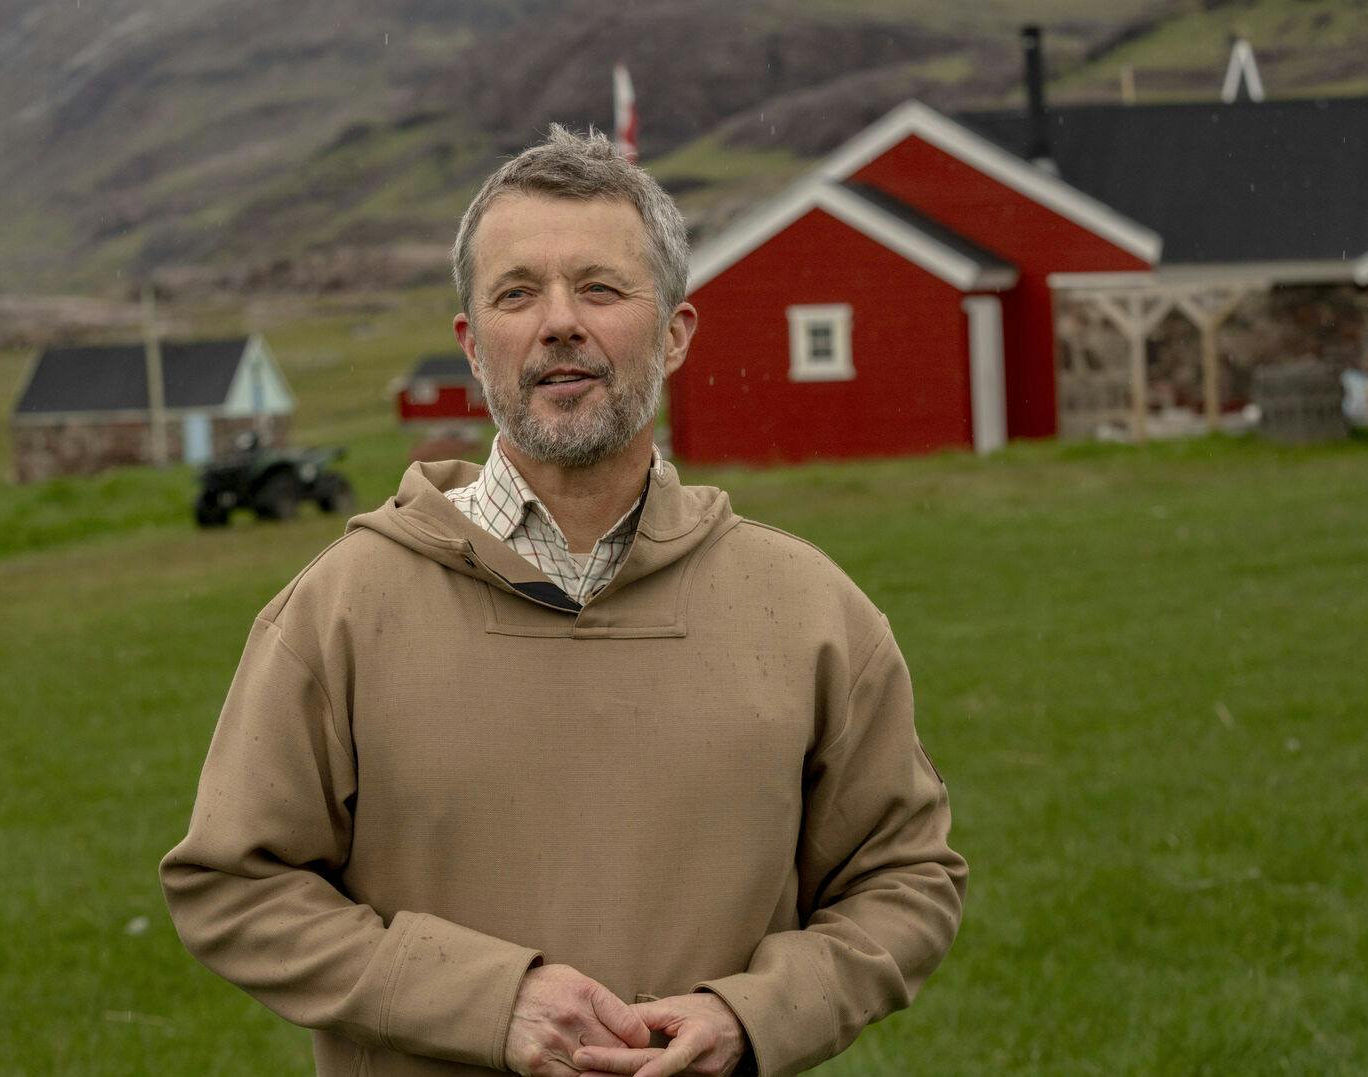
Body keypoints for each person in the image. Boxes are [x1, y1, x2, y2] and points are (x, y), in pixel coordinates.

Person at [162, 125, 966, 1077]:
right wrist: (487, 1001)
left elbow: (906, 879)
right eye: (516, 293)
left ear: (674, 333)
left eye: (599, 287)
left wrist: (753, 1016)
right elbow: (233, 886)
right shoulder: (340, 611)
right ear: (472, 343)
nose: (558, 323)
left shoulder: (810, 613)